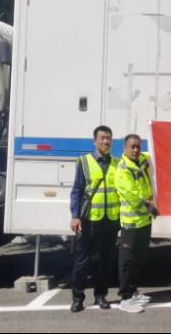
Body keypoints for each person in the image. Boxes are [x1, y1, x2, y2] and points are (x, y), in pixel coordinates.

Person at [68, 125, 120, 312]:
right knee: (82, 261)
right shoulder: (84, 161)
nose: (106, 141)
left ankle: (101, 296)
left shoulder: (117, 162)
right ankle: (77, 298)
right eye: (102, 138)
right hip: (89, 219)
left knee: (105, 261)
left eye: (109, 138)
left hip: (111, 220)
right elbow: (77, 190)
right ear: (95, 141)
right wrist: (75, 216)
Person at [114, 133, 158, 313]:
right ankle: (125, 298)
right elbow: (132, 196)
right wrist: (150, 207)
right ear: (124, 148)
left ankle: (133, 291)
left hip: (144, 221)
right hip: (131, 223)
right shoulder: (122, 169)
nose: (135, 150)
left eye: (138, 146)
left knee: (139, 258)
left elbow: (156, 152)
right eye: (132, 147)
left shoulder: (142, 161)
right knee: (127, 261)